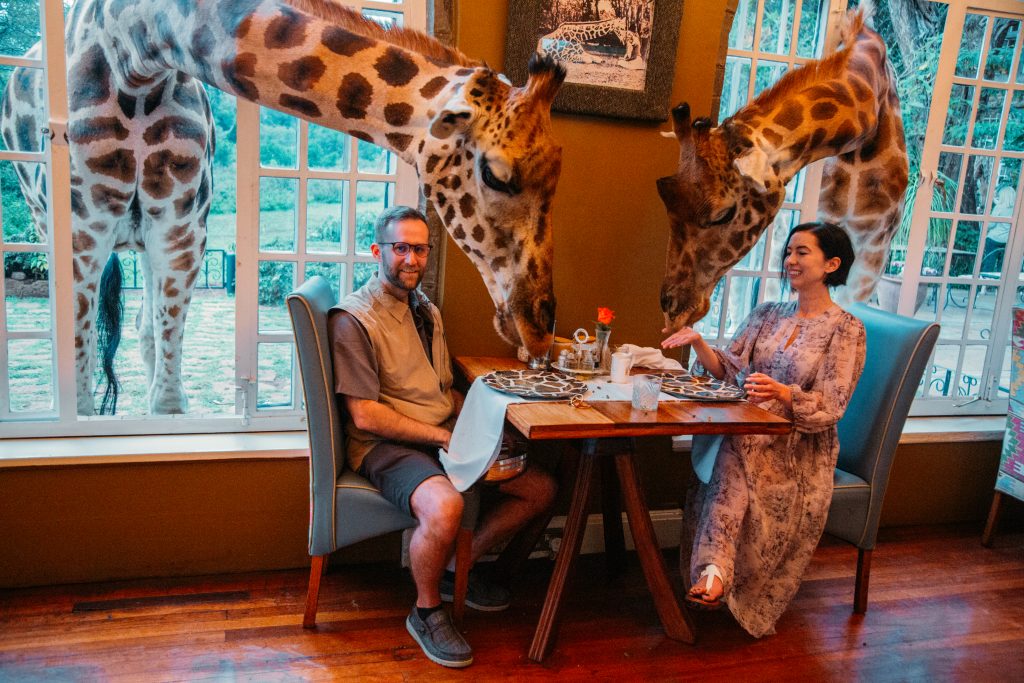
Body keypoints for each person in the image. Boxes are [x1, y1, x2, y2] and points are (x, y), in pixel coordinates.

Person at [327, 206, 557, 668]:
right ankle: (426, 610)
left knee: (540, 489)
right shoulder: (352, 319)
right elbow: (366, 415)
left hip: (436, 433)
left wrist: (488, 419)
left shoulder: (426, 309)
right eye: (400, 248)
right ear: (378, 251)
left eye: (419, 248)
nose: (410, 259)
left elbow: (441, 388)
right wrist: (441, 437)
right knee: (446, 506)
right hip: (384, 446)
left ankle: (456, 573)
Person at [661, 221, 866, 637]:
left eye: (802, 252)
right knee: (736, 445)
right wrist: (701, 344)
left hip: (798, 448)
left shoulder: (845, 329)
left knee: (734, 448)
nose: (790, 260)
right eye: (788, 251)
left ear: (832, 263)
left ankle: (716, 573)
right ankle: (715, 571)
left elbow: (832, 405)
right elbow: (732, 370)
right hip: (749, 431)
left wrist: (784, 393)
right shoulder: (767, 312)